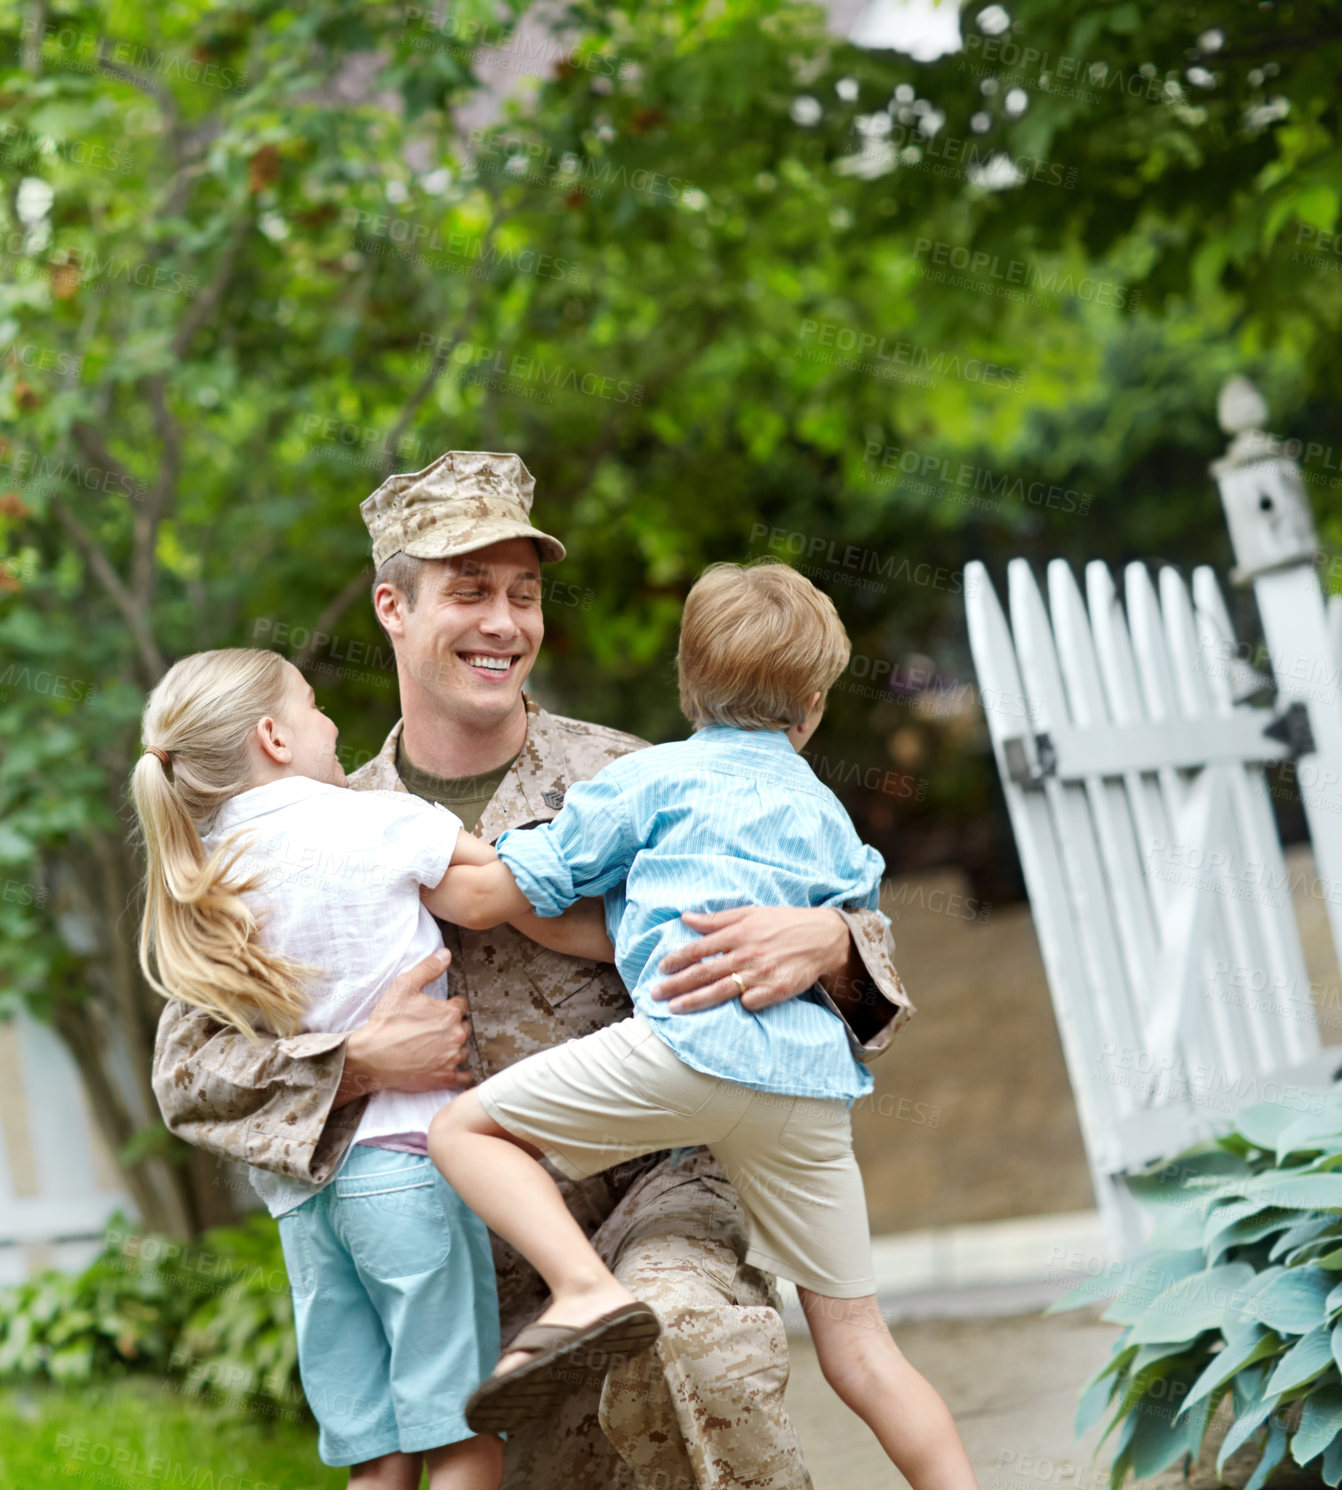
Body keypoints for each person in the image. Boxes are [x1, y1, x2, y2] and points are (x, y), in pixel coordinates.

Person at [152, 449, 916, 1490]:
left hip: (661, 1195)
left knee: (692, 1340)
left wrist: (829, 944)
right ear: (392, 605)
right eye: (468, 590)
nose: (503, 622)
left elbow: (859, 936)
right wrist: (352, 1062)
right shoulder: (314, 823)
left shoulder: (634, 773)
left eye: (524, 592)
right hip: (468, 1271)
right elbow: (189, 1071)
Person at [422, 561, 977, 1490]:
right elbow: (860, 937)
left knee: (464, 1130)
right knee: (861, 1348)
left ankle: (583, 1290)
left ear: (687, 683)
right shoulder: (830, 815)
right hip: (807, 1099)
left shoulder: (647, 780)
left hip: (681, 1055)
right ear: (811, 704)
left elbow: (485, 897)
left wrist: (398, 849)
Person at [134, 647, 608, 1487]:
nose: (331, 724)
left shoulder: (201, 875)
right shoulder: (373, 817)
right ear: (273, 736)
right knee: (462, 1434)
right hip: (408, 1168)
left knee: (373, 1453)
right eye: (314, 708)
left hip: (305, 1209)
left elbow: (200, 1064)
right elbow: (491, 883)